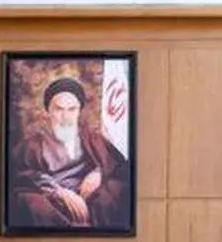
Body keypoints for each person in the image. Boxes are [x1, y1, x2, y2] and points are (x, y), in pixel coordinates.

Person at [8, 75, 132, 229]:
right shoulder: (31, 145)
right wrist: (58, 192)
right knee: (31, 202)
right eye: (59, 109)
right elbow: (19, 175)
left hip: (90, 201)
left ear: (79, 111)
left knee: (115, 189)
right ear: (48, 111)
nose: (65, 117)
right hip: (53, 202)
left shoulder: (92, 139)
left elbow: (118, 166)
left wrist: (99, 173)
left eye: (72, 109)